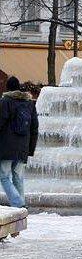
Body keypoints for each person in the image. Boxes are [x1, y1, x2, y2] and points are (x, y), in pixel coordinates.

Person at [0, 76, 38, 208]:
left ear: (7, 88)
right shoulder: (29, 104)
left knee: (4, 176)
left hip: (6, 147)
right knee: (18, 177)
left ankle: (18, 203)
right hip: (23, 148)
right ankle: (20, 207)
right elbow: (34, 128)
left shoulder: (5, 102)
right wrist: (30, 150)